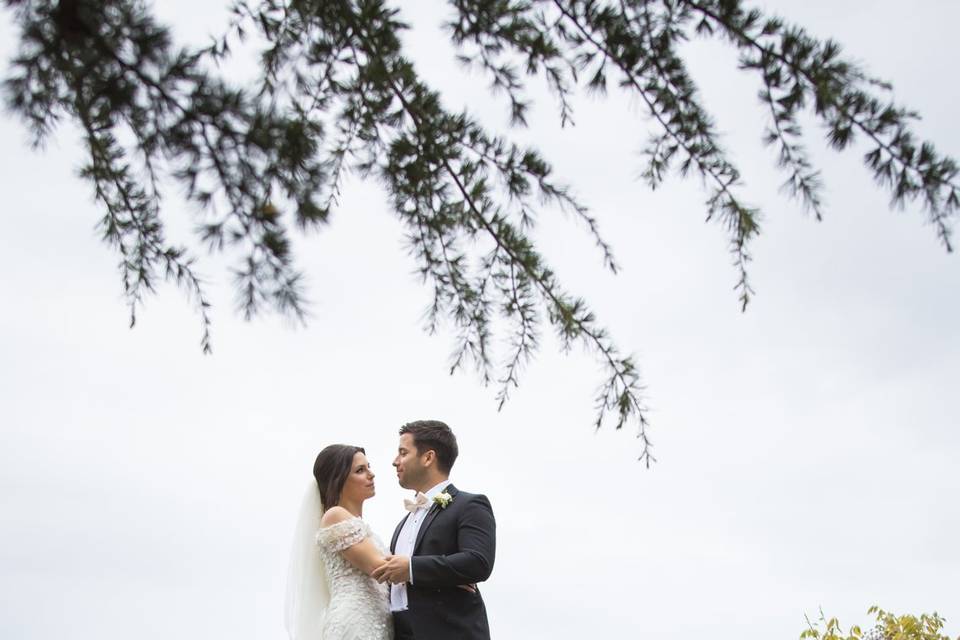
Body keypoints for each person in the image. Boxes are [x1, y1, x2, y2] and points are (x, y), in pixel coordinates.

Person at [372, 420, 496, 640]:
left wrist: (411, 568)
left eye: (403, 453)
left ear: (428, 457)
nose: (395, 461)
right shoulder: (403, 523)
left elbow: (478, 562)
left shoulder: (470, 505)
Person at [284, 444, 393, 640]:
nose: (371, 474)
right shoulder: (335, 516)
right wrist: (441, 573)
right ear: (339, 479)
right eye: (360, 470)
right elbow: (379, 567)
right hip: (356, 622)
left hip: (375, 621)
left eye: (369, 467)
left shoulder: (360, 526)